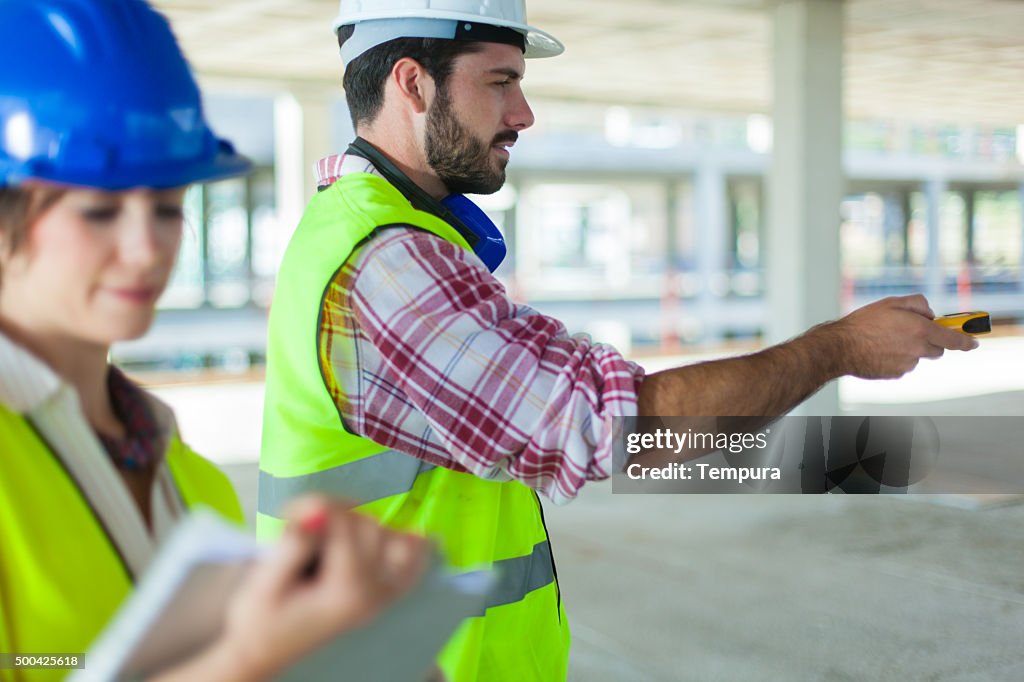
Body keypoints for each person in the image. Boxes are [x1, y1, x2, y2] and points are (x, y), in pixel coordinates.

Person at [257, 0, 980, 679]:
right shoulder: (389, 262)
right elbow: (610, 426)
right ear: (412, 84)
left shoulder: (380, 235)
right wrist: (839, 349)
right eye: (500, 82)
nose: (523, 113)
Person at [0, 1, 428, 681]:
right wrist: (247, 657)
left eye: (168, 207)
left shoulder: (191, 482)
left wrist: (357, 652)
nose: (147, 249)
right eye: (99, 210)